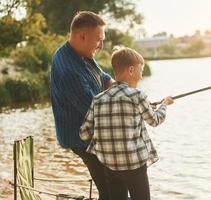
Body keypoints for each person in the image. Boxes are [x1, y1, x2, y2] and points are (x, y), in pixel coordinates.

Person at [79, 47, 174, 200]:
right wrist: (164, 104)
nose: (141, 76)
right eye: (140, 70)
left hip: (110, 166)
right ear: (131, 70)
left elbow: (84, 134)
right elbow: (155, 120)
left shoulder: (98, 99)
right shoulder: (137, 95)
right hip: (134, 166)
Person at [50, 11, 114, 200]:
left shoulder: (82, 51)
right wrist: (131, 107)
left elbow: (102, 77)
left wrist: (123, 90)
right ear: (82, 36)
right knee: (111, 188)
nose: (101, 45)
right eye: (99, 39)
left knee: (113, 185)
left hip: (92, 129)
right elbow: (95, 112)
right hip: (81, 137)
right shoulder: (68, 70)